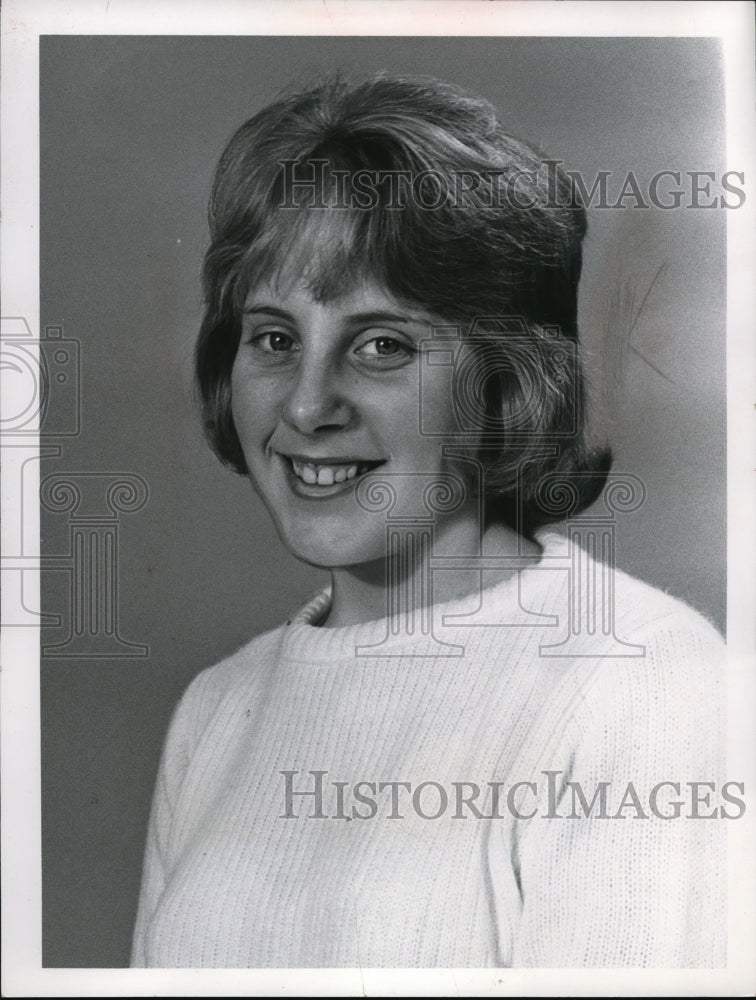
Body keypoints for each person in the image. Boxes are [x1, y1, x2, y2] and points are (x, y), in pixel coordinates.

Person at [131, 73, 726, 968]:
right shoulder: (219, 708)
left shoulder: (638, 678)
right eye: (274, 338)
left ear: (503, 381)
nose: (306, 407)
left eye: (382, 345)